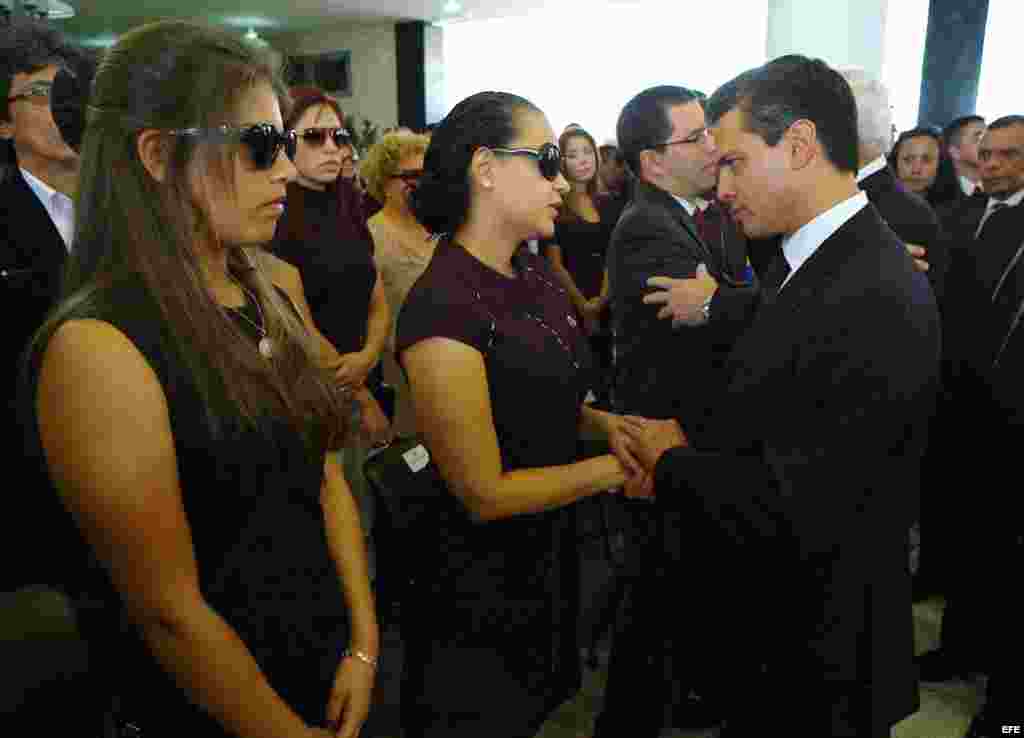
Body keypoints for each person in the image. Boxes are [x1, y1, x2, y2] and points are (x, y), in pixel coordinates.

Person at [25, 21, 377, 738]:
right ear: (157, 153)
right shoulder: (99, 346)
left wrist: (364, 645)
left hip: (322, 663)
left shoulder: (263, 290)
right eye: (259, 147)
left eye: (283, 145)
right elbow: (168, 609)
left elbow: (324, 473)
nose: (284, 171)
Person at [627, 56, 941, 738]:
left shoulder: (869, 289)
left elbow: (801, 505)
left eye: (736, 162)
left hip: (818, 661)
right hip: (796, 637)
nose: (723, 184)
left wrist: (670, 459)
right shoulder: (822, 259)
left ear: (798, 145)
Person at [395, 90, 641, 738]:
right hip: (479, 585)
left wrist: (602, 425)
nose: (560, 180)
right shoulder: (442, 309)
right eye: (546, 160)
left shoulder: (527, 270)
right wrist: (621, 467)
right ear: (485, 168)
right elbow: (484, 493)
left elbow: (539, 392)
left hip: (546, 555)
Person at [595, 84, 758, 738]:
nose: (713, 146)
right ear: (652, 162)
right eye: (695, 138)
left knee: (678, 595)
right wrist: (733, 299)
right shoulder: (648, 229)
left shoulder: (694, 213)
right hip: (666, 440)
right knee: (655, 603)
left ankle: (688, 702)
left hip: (688, 438)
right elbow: (711, 336)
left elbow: (732, 294)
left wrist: (730, 294)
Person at [918, 117, 1024, 725]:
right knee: (964, 537)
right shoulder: (956, 219)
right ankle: (959, 648)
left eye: (1010, 155)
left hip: (1011, 416)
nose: (994, 164)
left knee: (1007, 556)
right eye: (987, 154)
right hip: (957, 409)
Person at [0, 18, 80, 592]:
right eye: (36, 93)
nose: (57, 106)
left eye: (68, 92)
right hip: (31, 479)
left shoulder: (124, 210)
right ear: (4, 123)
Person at [543, 125, 621, 405]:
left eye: (588, 151)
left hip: (608, 299)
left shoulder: (609, 203)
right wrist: (584, 306)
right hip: (569, 303)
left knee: (609, 376)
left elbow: (615, 255)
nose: (584, 159)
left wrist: (602, 299)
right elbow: (554, 264)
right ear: (561, 161)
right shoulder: (552, 205)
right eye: (573, 154)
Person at [362, 130, 433, 436]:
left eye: (426, 174)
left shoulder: (443, 229)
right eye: (411, 175)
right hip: (401, 374)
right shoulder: (369, 236)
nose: (421, 183)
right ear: (384, 181)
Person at [890, 126, 963, 217]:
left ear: (941, 164)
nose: (916, 170)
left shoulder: (960, 213)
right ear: (895, 163)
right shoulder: (876, 206)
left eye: (926, 160)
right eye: (908, 160)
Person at [943, 115, 986, 197]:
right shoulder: (937, 197)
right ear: (955, 151)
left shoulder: (1006, 190)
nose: (988, 144)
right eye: (978, 139)